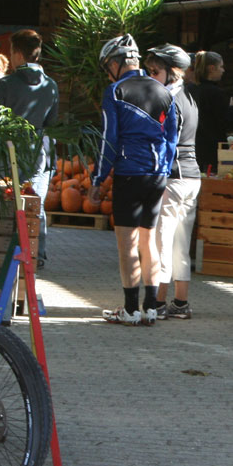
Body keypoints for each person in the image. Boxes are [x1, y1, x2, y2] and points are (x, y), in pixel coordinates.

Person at [90, 38, 181, 327]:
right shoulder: (164, 91)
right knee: (148, 240)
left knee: (127, 243)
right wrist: (163, 170)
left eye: (107, 67)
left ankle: (130, 310)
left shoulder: (115, 91)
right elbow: (172, 139)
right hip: (157, 176)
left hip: (129, 173)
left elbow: (109, 138)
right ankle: (150, 308)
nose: (108, 73)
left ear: (115, 63)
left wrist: (98, 178)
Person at [0, 29, 59, 266]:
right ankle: (36, 255)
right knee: (35, 203)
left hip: (8, 150)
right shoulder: (51, 85)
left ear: (18, 54)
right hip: (39, 151)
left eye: (11, 52)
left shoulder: (5, 85)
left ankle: (7, 253)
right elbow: (52, 122)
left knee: (9, 201)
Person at [151, 50, 201, 321]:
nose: (151, 78)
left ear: (172, 72)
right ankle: (180, 303)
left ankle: (158, 302)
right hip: (192, 177)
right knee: (181, 244)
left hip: (172, 177)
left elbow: (165, 142)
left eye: (155, 72)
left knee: (162, 241)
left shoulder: (168, 99)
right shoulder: (189, 97)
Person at [192, 50, 233, 172]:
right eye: (221, 67)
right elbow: (225, 123)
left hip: (195, 148)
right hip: (214, 150)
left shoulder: (193, 90)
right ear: (212, 68)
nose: (223, 70)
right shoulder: (215, 93)